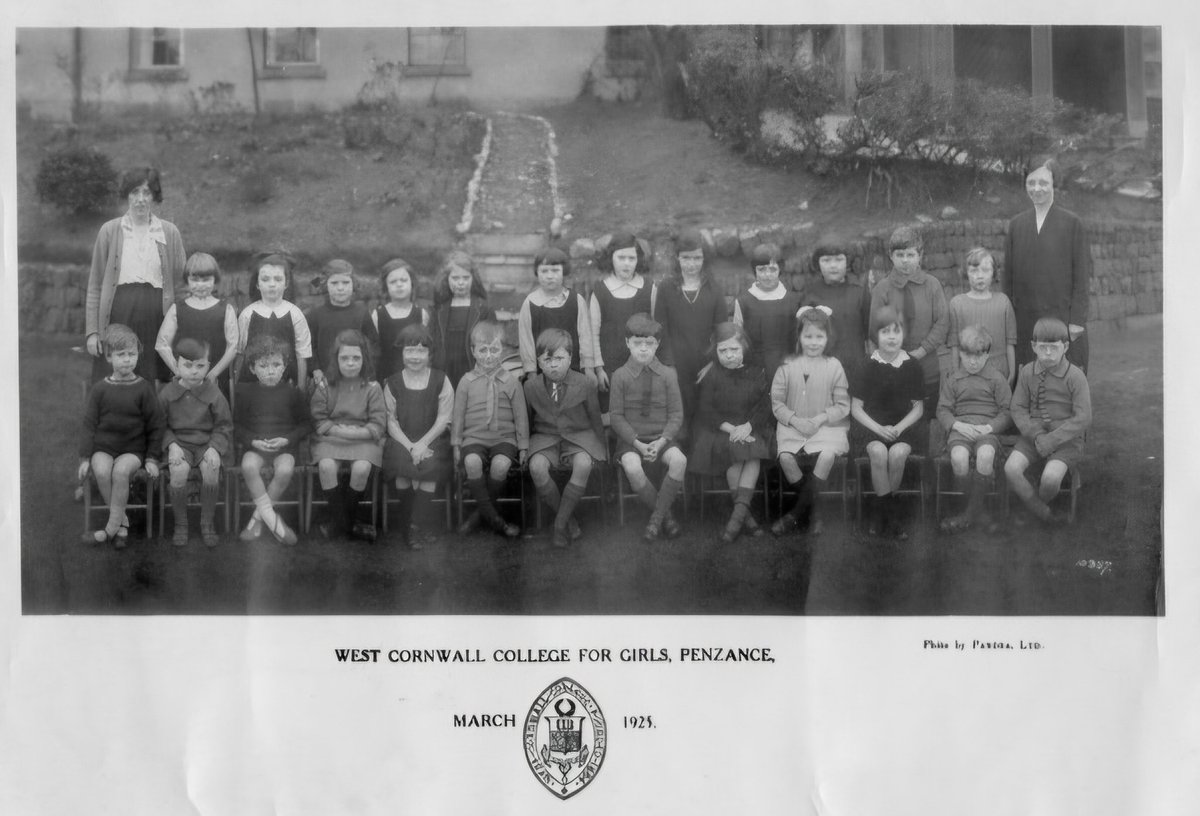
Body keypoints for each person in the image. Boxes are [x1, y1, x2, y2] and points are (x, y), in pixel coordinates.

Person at [85, 166, 186, 384]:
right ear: (126, 196)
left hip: (156, 315)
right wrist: (93, 332)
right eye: (135, 192)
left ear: (155, 196)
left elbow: (180, 284)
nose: (140, 199)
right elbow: (95, 285)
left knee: (149, 375)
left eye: (147, 193)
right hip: (118, 312)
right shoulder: (110, 231)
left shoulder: (169, 232)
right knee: (115, 372)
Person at [78, 324, 164, 546]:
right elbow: (88, 425)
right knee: (102, 471)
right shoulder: (100, 389)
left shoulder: (144, 388)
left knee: (121, 472)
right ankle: (122, 524)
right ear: (109, 357)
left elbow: (156, 425)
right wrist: (86, 458)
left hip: (133, 449)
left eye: (132, 354)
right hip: (103, 447)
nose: (127, 359)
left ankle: (109, 530)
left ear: (138, 356)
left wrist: (152, 458)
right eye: (121, 354)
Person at [1004, 158, 1092, 373]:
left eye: (1043, 183)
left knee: (1063, 388)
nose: (1037, 188)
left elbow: (1082, 276)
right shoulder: (1016, 225)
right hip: (1026, 322)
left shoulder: (1072, 224)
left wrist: (1077, 322)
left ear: (1054, 184)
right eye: (1031, 183)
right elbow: (1008, 278)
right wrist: (1008, 322)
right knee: (1028, 386)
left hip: (1062, 319)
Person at [770, 307, 851, 537]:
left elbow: (842, 404)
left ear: (828, 338)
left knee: (826, 454)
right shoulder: (786, 366)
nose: (813, 342)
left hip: (826, 427)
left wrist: (820, 418)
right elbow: (777, 403)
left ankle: (795, 515)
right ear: (799, 337)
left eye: (819, 337)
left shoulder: (833, 365)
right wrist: (795, 420)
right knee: (786, 457)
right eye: (808, 336)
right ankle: (815, 511)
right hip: (793, 428)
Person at [524, 328, 607, 549]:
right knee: (537, 467)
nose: (553, 365)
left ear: (570, 357)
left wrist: (602, 447)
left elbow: (594, 416)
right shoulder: (530, 387)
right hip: (546, 437)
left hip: (578, 436)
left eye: (559, 358)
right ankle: (568, 519)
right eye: (547, 359)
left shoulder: (586, 383)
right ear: (539, 362)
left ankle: (559, 525)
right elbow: (528, 421)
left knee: (583, 464)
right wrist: (526, 447)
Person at [1004, 317, 1092, 525]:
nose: (1048, 354)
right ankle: (1041, 511)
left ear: (1066, 346)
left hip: (1066, 440)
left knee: (1050, 479)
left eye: (1054, 348)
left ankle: (1033, 506)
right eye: (1043, 348)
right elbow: (1017, 408)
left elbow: (1084, 417)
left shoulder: (1076, 376)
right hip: (1034, 436)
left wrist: (1053, 440)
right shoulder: (1027, 372)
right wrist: (1036, 435)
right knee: (1011, 468)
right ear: (1034, 346)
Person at [608, 313, 687, 542]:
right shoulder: (620, 376)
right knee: (632, 466)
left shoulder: (668, 374)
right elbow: (616, 417)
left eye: (649, 343)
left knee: (679, 460)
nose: (643, 349)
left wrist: (662, 441)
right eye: (637, 343)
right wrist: (638, 445)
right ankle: (667, 517)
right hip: (632, 441)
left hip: (662, 438)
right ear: (627, 344)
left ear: (657, 344)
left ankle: (655, 520)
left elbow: (676, 414)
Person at [690, 323, 772, 543]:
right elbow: (706, 410)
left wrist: (747, 427)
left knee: (752, 454)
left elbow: (764, 405)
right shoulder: (712, 374)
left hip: (750, 428)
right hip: (722, 430)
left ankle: (736, 521)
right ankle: (745, 519)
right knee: (734, 453)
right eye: (722, 350)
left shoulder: (757, 372)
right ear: (715, 351)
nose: (729, 355)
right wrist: (733, 429)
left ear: (743, 347)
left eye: (734, 350)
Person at [851, 306, 925, 538]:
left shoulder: (912, 365)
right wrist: (879, 429)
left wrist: (898, 428)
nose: (891, 337)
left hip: (905, 428)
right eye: (885, 332)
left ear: (904, 333)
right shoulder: (866, 365)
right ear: (876, 336)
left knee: (897, 454)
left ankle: (880, 512)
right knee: (879, 453)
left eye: (896, 331)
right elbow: (856, 408)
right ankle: (891, 516)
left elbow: (918, 408)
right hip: (871, 428)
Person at [452, 321, 529, 540]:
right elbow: (457, 417)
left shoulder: (511, 381)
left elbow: (521, 416)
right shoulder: (466, 381)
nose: (488, 356)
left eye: (494, 350)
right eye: (483, 350)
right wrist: (456, 444)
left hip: (504, 437)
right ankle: (497, 521)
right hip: (474, 437)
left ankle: (478, 517)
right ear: (473, 351)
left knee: (501, 465)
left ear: (502, 350)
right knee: (472, 463)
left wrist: (523, 446)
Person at [233, 334, 310, 546]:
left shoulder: (293, 393)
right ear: (252, 368)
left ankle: (258, 518)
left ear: (284, 366)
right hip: (256, 445)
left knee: (285, 470)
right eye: (263, 365)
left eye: (276, 365)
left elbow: (306, 425)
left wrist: (286, 440)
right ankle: (274, 521)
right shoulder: (245, 393)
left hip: (283, 447)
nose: (270, 371)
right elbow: (236, 426)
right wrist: (253, 441)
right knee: (249, 466)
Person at [310, 329, 386, 541]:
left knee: (362, 468)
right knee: (326, 466)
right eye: (344, 358)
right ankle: (349, 526)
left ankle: (339, 524)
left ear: (364, 359)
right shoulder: (326, 385)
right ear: (336, 359)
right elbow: (318, 420)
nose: (350, 363)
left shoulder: (372, 387)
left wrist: (356, 434)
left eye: (356, 358)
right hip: (331, 437)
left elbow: (378, 426)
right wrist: (340, 431)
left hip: (364, 439)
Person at [382, 325, 454, 550]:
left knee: (430, 467)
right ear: (401, 354)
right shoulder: (392, 382)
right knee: (402, 467)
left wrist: (422, 444)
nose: (415, 357)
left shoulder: (441, 380)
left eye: (421, 351)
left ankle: (413, 526)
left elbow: (444, 419)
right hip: (402, 440)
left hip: (433, 439)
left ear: (429, 354)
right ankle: (411, 525)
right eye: (409, 351)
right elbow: (390, 421)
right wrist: (410, 446)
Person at [653, 228, 728, 441]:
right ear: (678, 258)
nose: (692, 263)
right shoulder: (667, 288)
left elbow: (722, 330)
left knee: (705, 422)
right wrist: (669, 364)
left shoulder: (714, 288)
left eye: (697, 258)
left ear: (704, 258)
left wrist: (713, 362)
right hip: (677, 366)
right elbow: (661, 329)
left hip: (707, 366)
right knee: (682, 423)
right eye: (686, 258)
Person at [936, 325, 1012, 533]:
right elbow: (942, 410)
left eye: (978, 356)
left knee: (986, 455)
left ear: (987, 355)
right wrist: (957, 424)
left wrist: (989, 427)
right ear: (960, 353)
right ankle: (978, 511)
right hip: (960, 430)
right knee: (959, 458)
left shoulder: (996, 379)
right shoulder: (954, 380)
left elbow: (1007, 412)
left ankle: (968, 515)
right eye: (967, 356)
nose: (972, 361)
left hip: (986, 432)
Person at [158, 337, 233, 548]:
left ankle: (206, 522)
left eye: (200, 366)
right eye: (187, 365)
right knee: (178, 471)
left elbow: (224, 425)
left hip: (206, 443)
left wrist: (214, 448)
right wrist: (171, 445)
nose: (194, 371)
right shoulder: (167, 393)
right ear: (177, 365)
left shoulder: (214, 393)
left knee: (211, 468)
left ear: (208, 366)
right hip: (178, 444)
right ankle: (181, 523)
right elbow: (158, 425)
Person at [869, 226, 949, 420]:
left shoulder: (932, 285)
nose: (905, 260)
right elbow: (874, 328)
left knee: (927, 419)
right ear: (891, 255)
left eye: (910, 254)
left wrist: (920, 352)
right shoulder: (883, 288)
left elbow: (942, 322)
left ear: (920, 255)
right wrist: (897, 355)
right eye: (900, 254)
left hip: (927, 366)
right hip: (893, 367)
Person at [155, 252, 239, 402]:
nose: (200, 285)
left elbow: (233, 346)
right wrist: (178, 371)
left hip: (215, 381)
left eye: (206, 279)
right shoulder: (177, 309)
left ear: (215, 280)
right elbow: (162, 344)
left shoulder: (225, 309)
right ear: (187, 280)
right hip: (184, 381)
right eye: (194, 279)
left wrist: (214, 373)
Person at [591, 231, 657, 412]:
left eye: (631, 258)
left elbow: (657, 331)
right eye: (621, 257)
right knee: (612, 415)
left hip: (640, 365)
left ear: (638, 260)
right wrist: (598, 369)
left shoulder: (649, 289)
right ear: (611, 258)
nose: (626, 263)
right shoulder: (600, 291)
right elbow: (593, 333)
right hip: (609, 367)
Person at [517, 248, 597, 379]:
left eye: (555, 271)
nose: (549, 276)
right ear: (537, 272)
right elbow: (526, 341)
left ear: (564, 271)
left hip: (574, 372)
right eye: (544, 271)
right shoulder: (530, 303)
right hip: (542, 374)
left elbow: (585, 337)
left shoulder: (576, 301)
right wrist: (531, 372)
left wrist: (588, 368)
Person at [801, 235, 870, 383]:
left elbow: (869, 332)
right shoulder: (811, 294)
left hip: (856, 367)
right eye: (826, 260)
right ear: (817, 263)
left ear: (847, 261)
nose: (833, 265)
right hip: (824, 370)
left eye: (839, 259)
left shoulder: (859, 291)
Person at [236, 253, 311, 387]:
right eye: (265, 279)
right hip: (253, 386)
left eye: (277, 279)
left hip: (287, 384)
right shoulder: (247, 314)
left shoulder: (295, 314)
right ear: (257, 284)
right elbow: (240, 353)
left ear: (286, 283)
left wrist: (301, 390)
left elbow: (302, 356)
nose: (272, 284)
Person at [947, 247, 1017, 385]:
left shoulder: (1003, 302)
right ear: (966, 273)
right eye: (974, 270)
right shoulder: (957, 304)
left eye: (985, 270)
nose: (979, 275)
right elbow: (954, 344)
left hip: (999, 371)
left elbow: (1010, 342)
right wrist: (956, 373)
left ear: (994, 273)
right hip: (968, 371)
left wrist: (1012, 373)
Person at [305, 259, 379, 390]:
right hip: (326, 382)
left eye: (345, 282)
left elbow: (373, 346)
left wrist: (366, 373)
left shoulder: (362, 313)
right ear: (325, 285)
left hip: (355, 378)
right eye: (334, 283)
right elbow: (310, 346)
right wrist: (315, 369)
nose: (340, 288)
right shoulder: (315, 315)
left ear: (353, 284)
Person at [733, 242, 804, 379]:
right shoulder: (743, 302)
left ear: (780, 269)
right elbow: (738, 338)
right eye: (762, 269)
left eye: (772, 269)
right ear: (754, 270)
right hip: (755, 369)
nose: (767, 275)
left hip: (787, 367)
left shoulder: (793, 301)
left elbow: (798, 338)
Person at [428, 250, 496, 389]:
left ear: (473, 279)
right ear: (446, 279)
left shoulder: (484, 309)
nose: (461, 283)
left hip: (474, 371)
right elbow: (432, 344)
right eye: (455, 278)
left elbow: (493, 345)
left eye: (466, 278)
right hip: (444, 373)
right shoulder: (438, 309)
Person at [373, 258, 430, 383]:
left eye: (403, 280)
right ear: (385, 286)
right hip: (386, 377)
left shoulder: (421, 315)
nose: (399, 284)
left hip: (416, 377)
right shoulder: (377, 315)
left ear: (412, 283)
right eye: (393, 282)